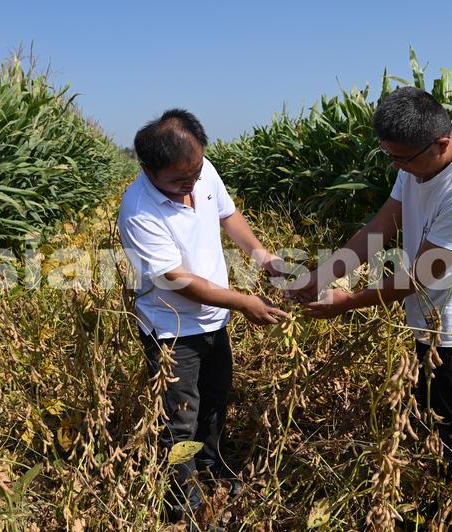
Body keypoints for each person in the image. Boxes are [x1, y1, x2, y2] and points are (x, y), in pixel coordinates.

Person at [286, 87, 452, 473]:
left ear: (441, 144)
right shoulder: (417, 161)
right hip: (430, 322)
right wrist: (322, 274)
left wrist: (348, 302)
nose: (395, 167)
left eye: (401, 159)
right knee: (434, 417)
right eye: (389, 156)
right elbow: (381, 227)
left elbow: (422, 275)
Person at [118, 109, 289, 523]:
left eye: (195, 174)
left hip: (215, 321)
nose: (191, 185)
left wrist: (262, 255)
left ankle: (211, 472)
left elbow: (228, 214)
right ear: (148, 170)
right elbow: (178, 281)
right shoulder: (139, 211)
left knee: (214, 401)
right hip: (172, 331)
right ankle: (184, 502)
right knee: (180, 418)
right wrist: (243, 302)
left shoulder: (199, 169)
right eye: (179, 180)